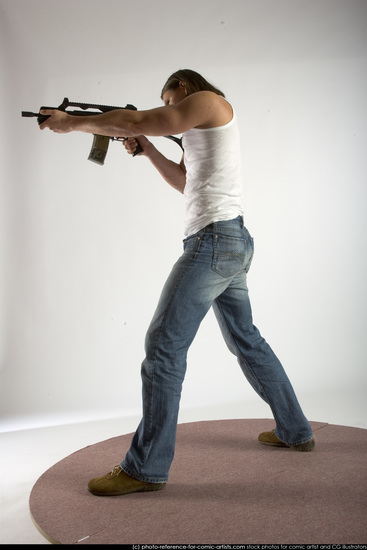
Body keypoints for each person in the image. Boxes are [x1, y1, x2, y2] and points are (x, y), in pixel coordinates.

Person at [40, 69, 315, 497]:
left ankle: (145, 468)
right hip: (229, 241)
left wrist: (71, 123)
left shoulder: (207, 102)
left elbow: (134, 121)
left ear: (184, 88)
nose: (170, 110)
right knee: (247, 339)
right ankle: (296, 430)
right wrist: (148, 150)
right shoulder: (203, 129)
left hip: (213, 243)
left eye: (169, 102)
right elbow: (186, 183)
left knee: (164, 348)